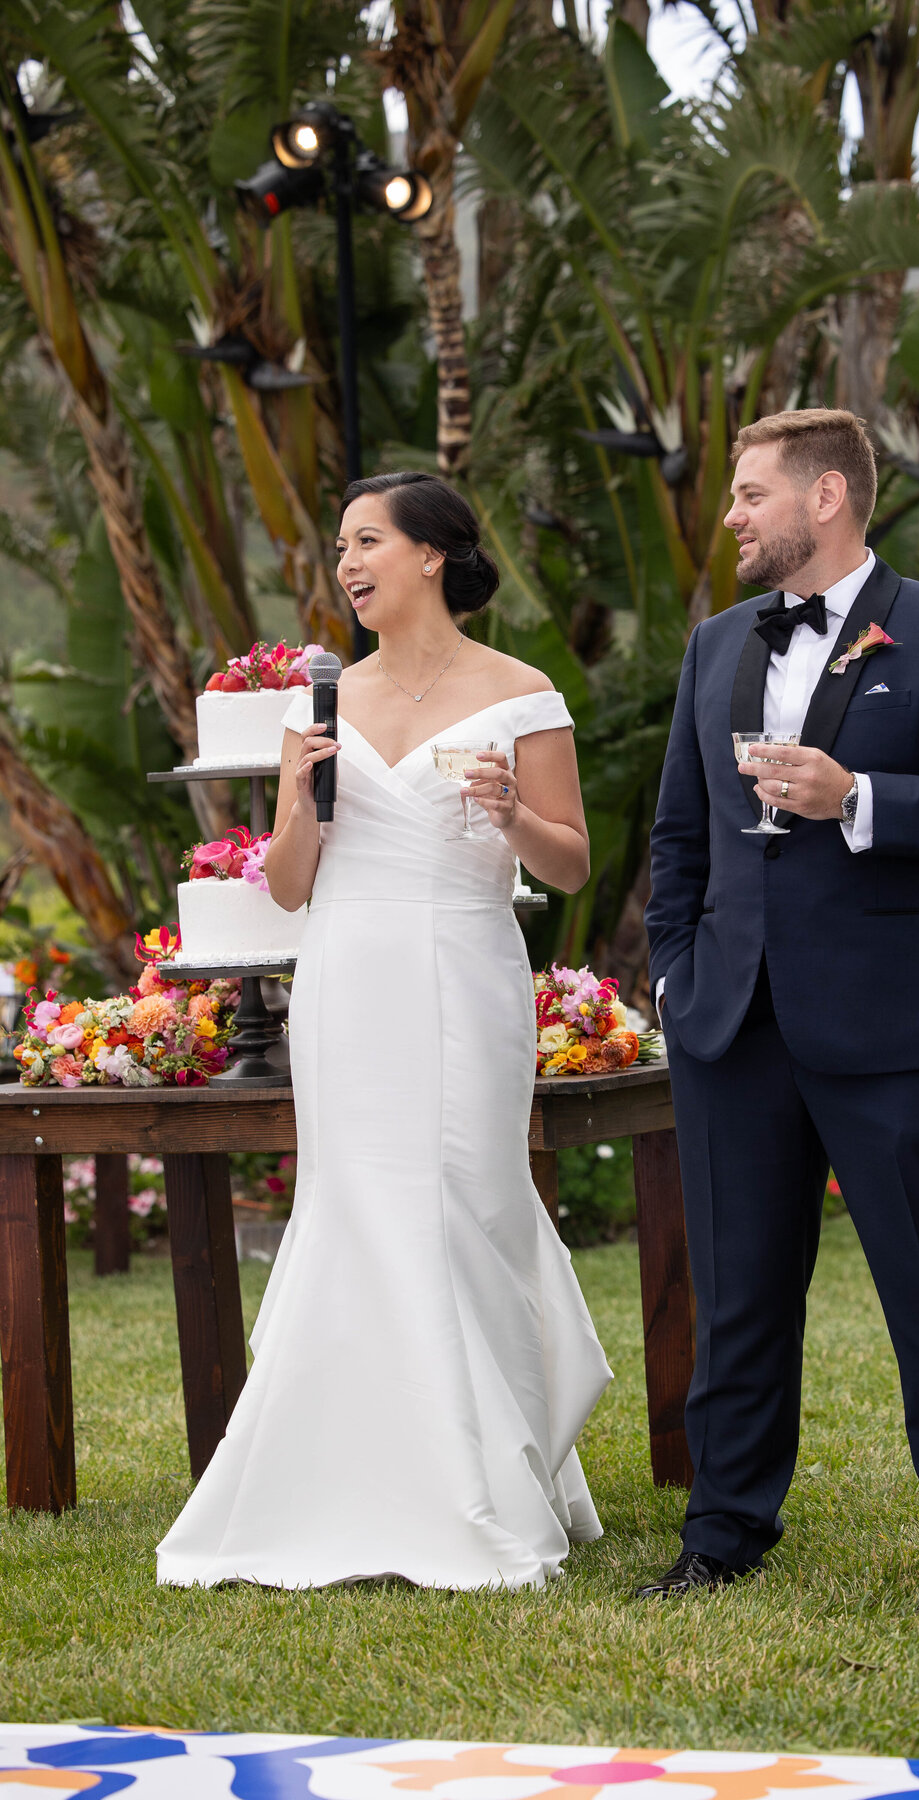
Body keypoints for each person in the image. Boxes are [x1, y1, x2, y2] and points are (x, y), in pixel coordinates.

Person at [157, 472, 611, 1591]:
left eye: (369, 541)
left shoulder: (522, 693)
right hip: (347, 974)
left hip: (465, 965)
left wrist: (514, 814)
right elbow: (294, 887)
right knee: (358, 1203)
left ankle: (494, 1470)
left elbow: (570, 862)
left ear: (433, 554)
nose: (348, 564)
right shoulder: (321, 703)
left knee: (469, 1196)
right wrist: (300, 801)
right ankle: (345, 1474)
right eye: (342, 547)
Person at [640, 409, 919, 1610]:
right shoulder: (716, 646)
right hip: (732, 1024)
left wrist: (858, 794)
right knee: (742, 1287)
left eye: (751, 494)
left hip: (899, 1022)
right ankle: (724, 1531)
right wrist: (677, 974)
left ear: (826, 497)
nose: (732, 516)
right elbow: (678, 838)